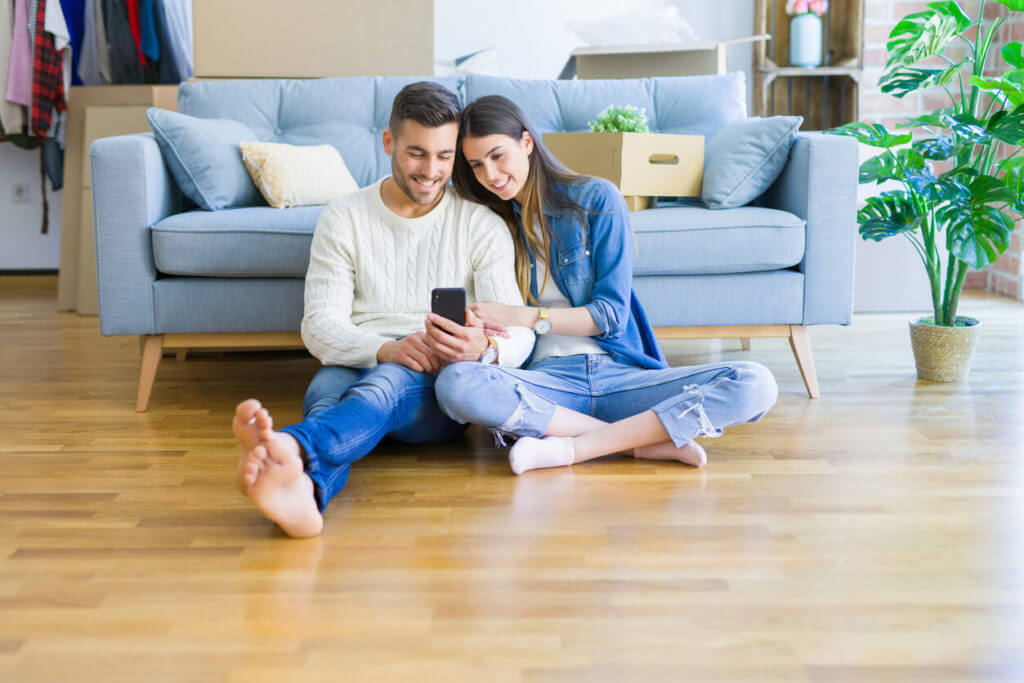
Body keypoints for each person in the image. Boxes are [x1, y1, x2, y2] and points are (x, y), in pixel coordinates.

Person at [232, 83, 535, 537]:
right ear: (388, 142)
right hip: (365, 358)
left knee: (387, 387)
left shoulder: (478, 224)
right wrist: (385, 348)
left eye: (444, 156)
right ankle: (306, 497)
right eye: (416, 153)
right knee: (324, 397)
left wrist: (485, 347)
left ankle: (291, 447)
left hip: (429, 391)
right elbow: (318, 326)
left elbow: (522, 331)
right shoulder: (344, 217)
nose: (431, 171)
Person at [431, 95, 779, 475]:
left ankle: (568, 450)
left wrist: (523, 316)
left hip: (621, 375)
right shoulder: (493, 223)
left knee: (755, 383)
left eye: (498, 156)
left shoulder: (596, 200)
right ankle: (640, 444)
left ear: (527, 143)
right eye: (477, 165)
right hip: (547, 384)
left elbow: (610, 316)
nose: (491, 176)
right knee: (455, 383)